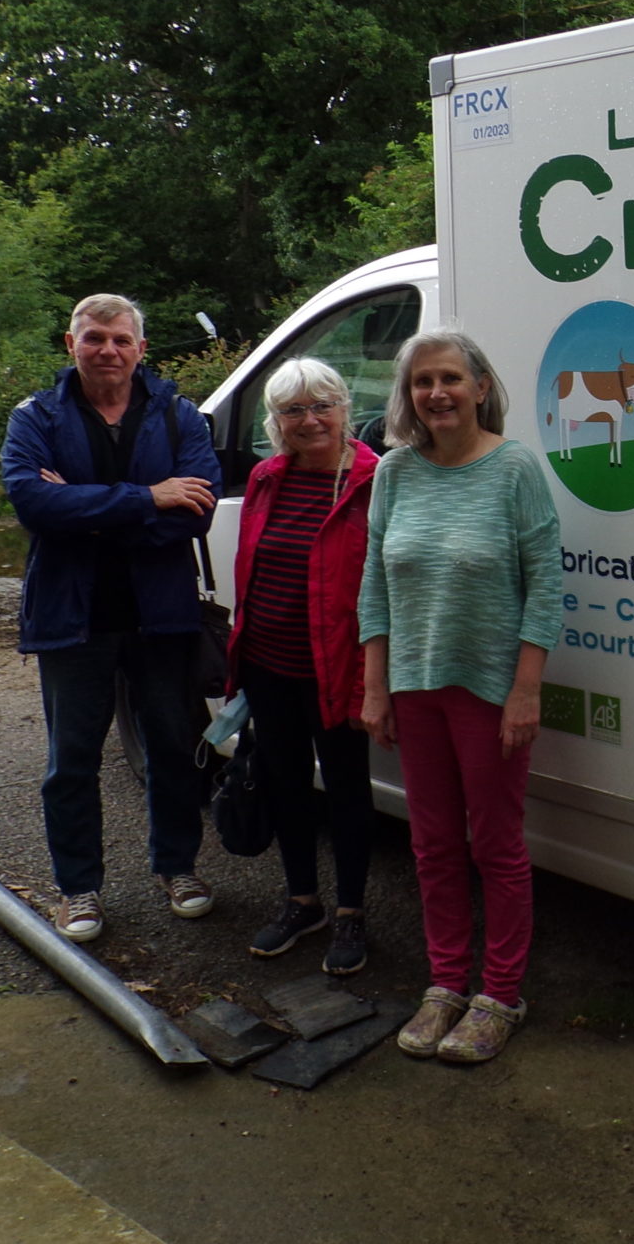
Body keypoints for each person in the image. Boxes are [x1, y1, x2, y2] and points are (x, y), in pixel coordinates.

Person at [359, 328, 563, 1064]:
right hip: (414, 686)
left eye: (450, 378)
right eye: (422, 382)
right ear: (408, 395)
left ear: (480, 387)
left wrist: (525, 691)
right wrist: (375, 687)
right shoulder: (394, 472)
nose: (436, 393)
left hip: (488, 689)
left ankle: (500, 994)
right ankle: (446, 984)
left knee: (496, 846)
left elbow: (546, 588)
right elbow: (375, 584)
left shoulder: (515, 469)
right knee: (434, 844)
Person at [1, 293, 222, 942]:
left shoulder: (180, 415)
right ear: (71, 344)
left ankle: (177, 868)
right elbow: (33, 504)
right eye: (95, 338)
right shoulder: (35, 416)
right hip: (72, 617)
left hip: (162, 616)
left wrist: (83, 511)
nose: (108, 350)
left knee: (172, 749)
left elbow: (198, 512)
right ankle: (79, 888)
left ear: (141, 349)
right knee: (72, 760)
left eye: (121, 339)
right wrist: (148, 498)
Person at [224, 359, 380, 974]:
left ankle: (351, 912)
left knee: (346, 788)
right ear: (276, 421)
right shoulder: (267, 477)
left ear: (345, 409)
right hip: (267, 663)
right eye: (293, 410)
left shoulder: (373, 481)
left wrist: (371, 680)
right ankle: (302, 901)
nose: (310, 420)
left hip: (336, 667)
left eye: (322, 406)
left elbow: (385, 589)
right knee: (286, 783)